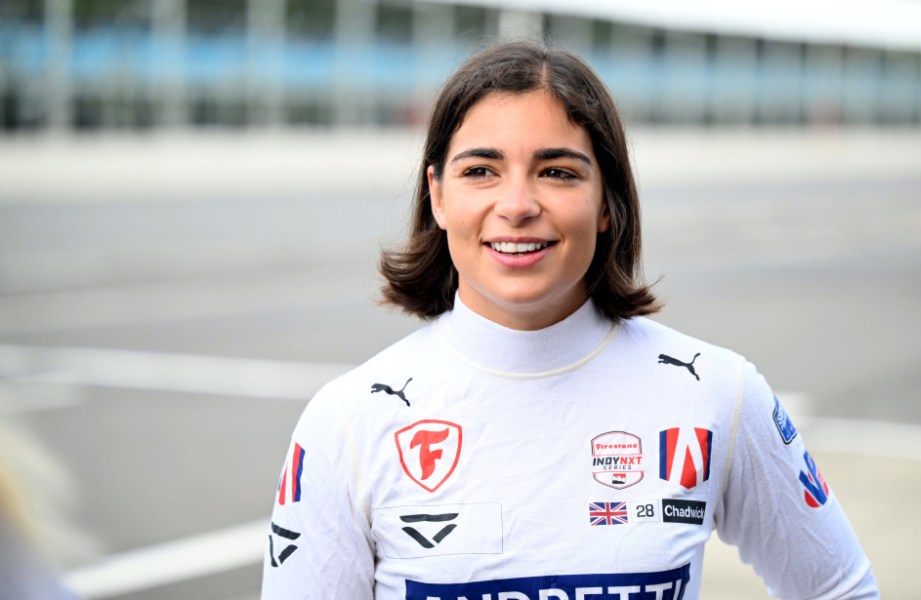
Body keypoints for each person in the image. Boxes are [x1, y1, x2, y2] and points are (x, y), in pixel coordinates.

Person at [262, 40, 878, 599]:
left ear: (607, 201)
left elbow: (840, 589)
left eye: (557, 172)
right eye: (481, 171)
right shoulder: (347, 421)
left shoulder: (716, 391)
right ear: (438, 196)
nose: (518, 205)